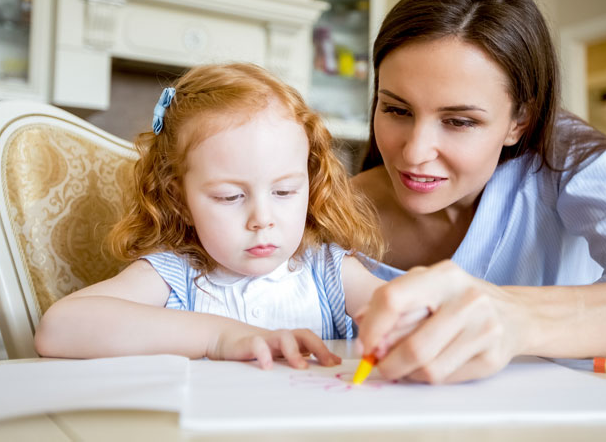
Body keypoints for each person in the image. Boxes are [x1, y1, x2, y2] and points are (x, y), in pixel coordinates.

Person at [352, 0, 606, 384]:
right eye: (396, 110)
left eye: (460, 121)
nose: (414, 152)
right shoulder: (332, 205)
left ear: (519, 119)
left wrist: (519, 317)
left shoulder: (562, 156)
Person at [35, 63, 386, 369]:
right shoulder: (176, 275)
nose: (262, 219)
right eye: (229, 196)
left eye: (284, 192)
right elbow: (58, 329)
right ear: (180, 199)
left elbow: (404, 307)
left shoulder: (329, 272)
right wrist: (218, 337)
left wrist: (403, 320)